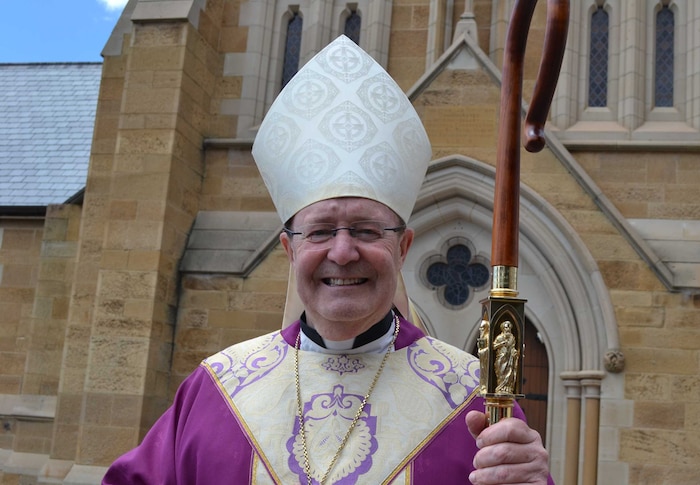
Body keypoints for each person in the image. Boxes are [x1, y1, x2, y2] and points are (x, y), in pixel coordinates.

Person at [103, 35, 551, 485]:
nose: (342, 252)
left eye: (365, 230)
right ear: (289, 250)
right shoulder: (215, 391)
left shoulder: (475, 399)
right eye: (320, 232)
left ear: (403, 247)